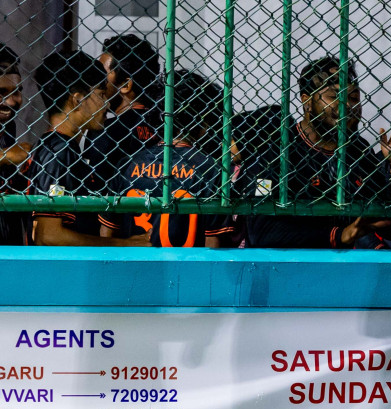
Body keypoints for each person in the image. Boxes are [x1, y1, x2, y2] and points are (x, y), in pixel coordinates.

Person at [245, 56, 391, 249]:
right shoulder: (276, 151)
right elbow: (261, 230)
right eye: (334, 96)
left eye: (353, 98)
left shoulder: (359, 150)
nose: (346, 105)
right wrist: (339, 235)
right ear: (307, 101)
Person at [99, 71, 237, 248]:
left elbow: (106, 233)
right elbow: (213, 243)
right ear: (204, 122)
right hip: (186, 268)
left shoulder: (127, 164)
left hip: (134, 266)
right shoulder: (211, 169)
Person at [25, 49, 142, 247]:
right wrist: (123, 244)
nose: (106, 103)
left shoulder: (60, 147)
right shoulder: (58, 151)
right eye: (101, 94)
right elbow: (48, 235)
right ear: (77, 99)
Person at [92, 33, 162, 165]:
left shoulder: (105, 132)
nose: (96, 81)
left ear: (125, 85)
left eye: (102, 74)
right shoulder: (165, 126)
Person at [0, 45, 30, 246]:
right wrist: (6, 155)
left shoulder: (7, 125)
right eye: (1, 92)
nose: (12, 101)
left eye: (17, 91)